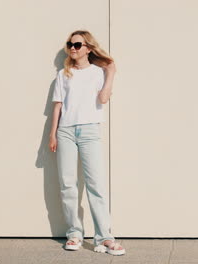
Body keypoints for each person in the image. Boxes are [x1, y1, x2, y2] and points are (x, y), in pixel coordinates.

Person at [48, 30, 125, 256]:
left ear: (88, 48)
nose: (73, 48)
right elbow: (57, 106)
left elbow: (103, 99)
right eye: (70, 44)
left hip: (90, 131)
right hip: (65, 132)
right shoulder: (64, 74)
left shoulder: (98, 73)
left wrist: (111, 72)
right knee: (67, 184)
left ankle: (105, 237)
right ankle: (74, 233)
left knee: (96, 185)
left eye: (78, 44)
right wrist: (52, 134)